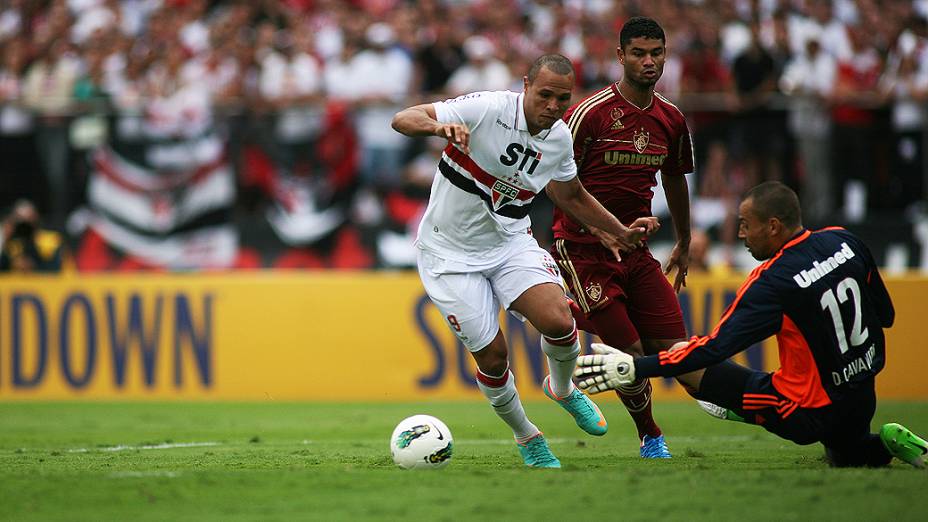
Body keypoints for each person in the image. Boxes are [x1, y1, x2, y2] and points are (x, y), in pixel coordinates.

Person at [391, 54, 657, 468]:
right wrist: (437, 126)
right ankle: (527, 436)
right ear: (526, 86)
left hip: (509, 242)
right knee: (494, 357)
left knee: (558, 320)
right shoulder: (488, 108)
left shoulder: (559, 138)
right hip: (447, 255)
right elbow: (403, 118)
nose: (552, 106)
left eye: (562, 99)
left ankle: (563, 388)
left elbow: (569, 195)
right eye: (545, 95)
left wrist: (617, 230)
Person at [575, 181, 928, 469]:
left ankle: (742, 406)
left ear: (773, 226)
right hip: (862, 395)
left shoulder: (773, 282)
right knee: (850, 457)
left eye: (746, 224)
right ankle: (888, 439)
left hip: (805, 412)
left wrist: (635, 367)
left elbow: (715, 348)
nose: (741, 234)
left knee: (690, 360)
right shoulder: (844, 240)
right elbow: (887, 316)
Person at [549, 16, 694, 458]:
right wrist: (601, 227)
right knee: (628, 351)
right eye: (638, 53)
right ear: (620, 57)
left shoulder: (671, 119)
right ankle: (651, 435)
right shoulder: (589, 114)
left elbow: (675, 179)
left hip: (636, 250)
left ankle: (568, 316)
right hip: (582, 247)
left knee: (677, 353)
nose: (648, 62)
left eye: (656, 53)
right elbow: (555, 183)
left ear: (666, 55)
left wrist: (684, 241)